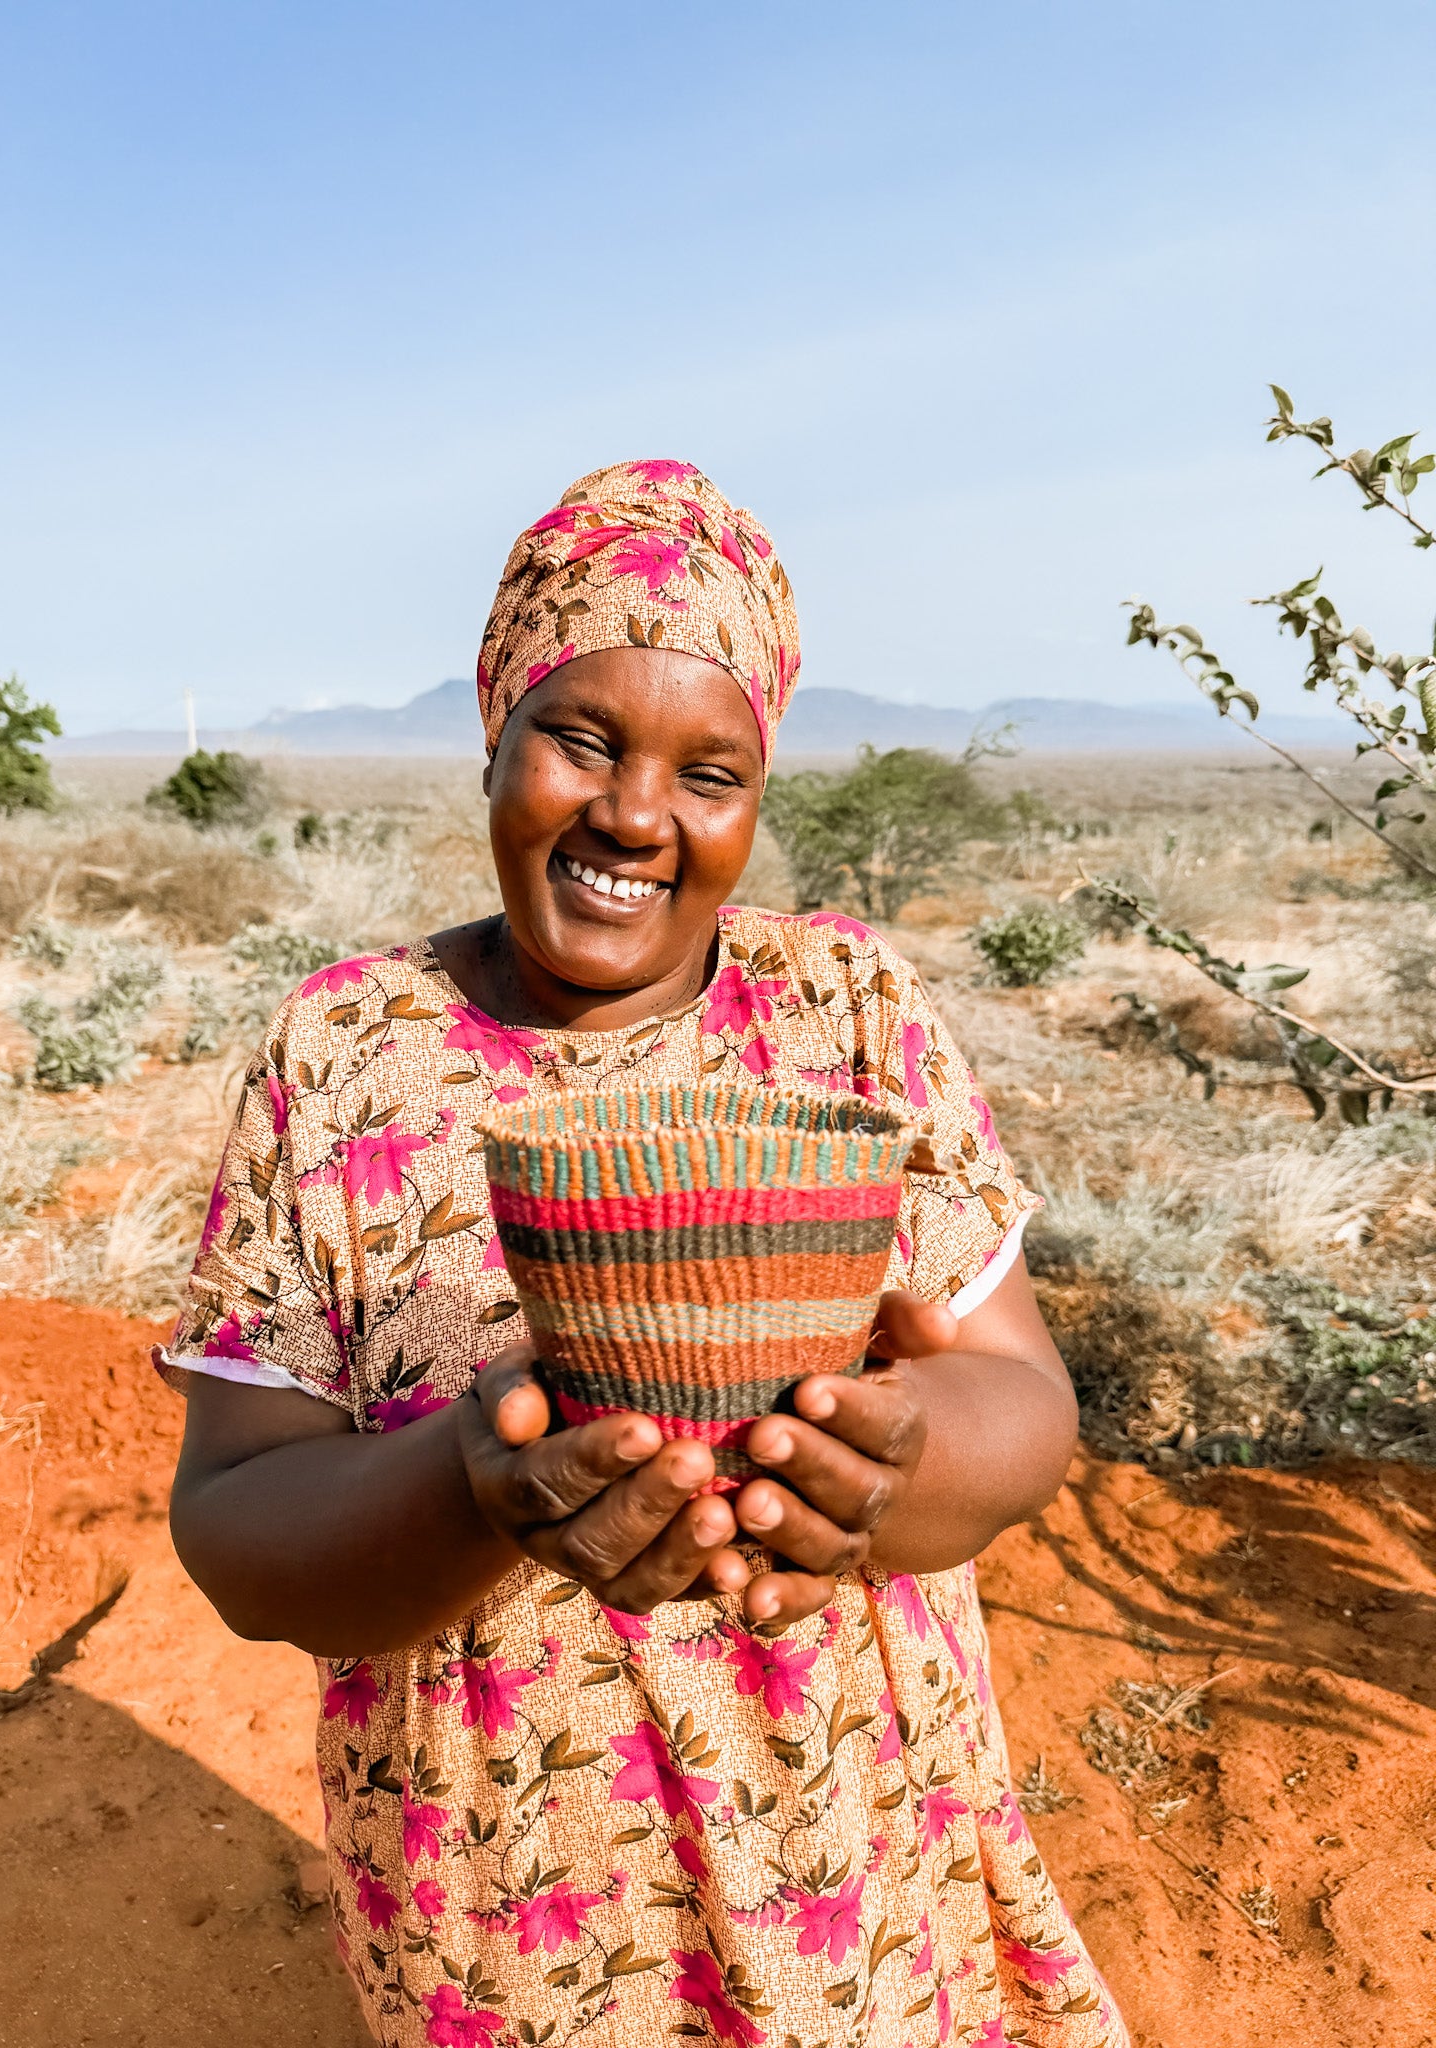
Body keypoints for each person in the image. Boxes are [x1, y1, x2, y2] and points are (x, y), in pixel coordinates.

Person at [163, 460, 1128, 2048]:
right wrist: (470, 1477)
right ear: (494, 735)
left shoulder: (848, 1015)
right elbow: (237, 1525)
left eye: (710, 771)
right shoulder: (339, 1055)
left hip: (851, 1827)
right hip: (512, 1878)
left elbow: (1021, 1397)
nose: (634, 815)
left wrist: (884, 1474)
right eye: (583, 739)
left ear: (756, 798)